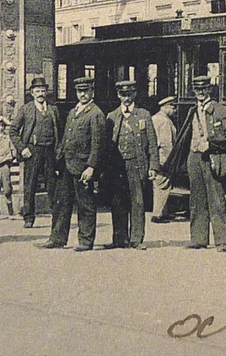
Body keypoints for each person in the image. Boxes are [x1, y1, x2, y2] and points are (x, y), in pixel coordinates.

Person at [52, 76, 106, 251]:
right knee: (62, 203)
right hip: (67, 165)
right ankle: (57, 238)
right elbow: (66, 138)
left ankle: (85, 241)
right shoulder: (73, 112)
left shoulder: (96, 114)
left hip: (83, 167)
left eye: (86, 91)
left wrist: (91, 166)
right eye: (79, 91)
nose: (82, 94)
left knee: (85, 204)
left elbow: (98, 144)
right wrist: (58, 160)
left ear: (92, 92)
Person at [186, 76, 226, 252]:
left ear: (210, 90)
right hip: (194, 157)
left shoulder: (220, 110)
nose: (200, 92)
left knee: (216, 198)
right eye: (197, 89)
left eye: (204, 89)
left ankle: (221, 241)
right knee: (197, 199)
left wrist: (211, 143)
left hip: (212, 157)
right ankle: (198, 238)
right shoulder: (192, 110)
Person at [106, 79, 158, 249]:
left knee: (138, 202)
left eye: (129, 94)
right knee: (118, 202)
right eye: (123, 94)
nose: (126, 98)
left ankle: (137, 239)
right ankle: (120, 239)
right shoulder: (112, 116)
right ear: (118, 95)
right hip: (117, 167)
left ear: (134, 94)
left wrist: (153, 166)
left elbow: (152, 142)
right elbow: (106, 145)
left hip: (137, 164)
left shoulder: (143, 115)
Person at [12, 76, 60, 230]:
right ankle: (28, 217)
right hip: (32, 151)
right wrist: (23, 148)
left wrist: (58, 150)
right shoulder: (26, 109)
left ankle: (56, 216)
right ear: (32, 93)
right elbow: (13, 131)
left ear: (46, 92)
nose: (40, 93)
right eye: (37, 91)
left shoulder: (53, 109)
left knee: (52, 185)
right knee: (30, 185)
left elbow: (60, 130)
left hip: (50, 151)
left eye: (43, 91)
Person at [149, 95, 178, 222]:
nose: (174, 110)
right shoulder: (165, 121)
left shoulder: (154, 118)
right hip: (163, 158)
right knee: (163, 185)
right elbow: (167, 144)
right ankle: (158, 214)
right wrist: (170, 161)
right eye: (173, 107)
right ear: (166, 107)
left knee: (158, 185)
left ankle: (163, 211)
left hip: (154, 157)